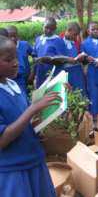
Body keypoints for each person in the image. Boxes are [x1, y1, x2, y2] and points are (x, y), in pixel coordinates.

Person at [0, 35, 60, 197]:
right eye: (8, 59)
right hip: (13, 170)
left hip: (35, 160)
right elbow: (2, 140)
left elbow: (27, 121)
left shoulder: (13, 85)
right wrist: (32, 109)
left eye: (17, 57)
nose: (16, 63)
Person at [32, 17, 68, 88]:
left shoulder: (58, 41)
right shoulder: (38, 39)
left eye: (52, 29)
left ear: (55, 29)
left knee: (53, 94)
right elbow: (34, 55)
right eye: (46, 27)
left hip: (53, 73)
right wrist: (36, 60)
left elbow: (63, 59)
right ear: (43, 26)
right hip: (40, 73)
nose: (48, 31)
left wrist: (49, 60)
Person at [6, 25, 33, 96]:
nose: (12, 39)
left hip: (25, 78)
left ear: (18, 36)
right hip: (13, 79)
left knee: (24, 95)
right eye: (9, 36)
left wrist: (32, 73)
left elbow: (35, 56)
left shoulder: (24, 45)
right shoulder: (5, 49)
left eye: (14, 36)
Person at [62, 22, 87, 96]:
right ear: (68, 30)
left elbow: (82, 55)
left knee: (80, 94)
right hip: (65, 73)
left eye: (77, 34)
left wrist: (83, 58)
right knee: (68, 95)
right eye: (74, 34)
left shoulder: (77, 43)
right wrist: (67, 59)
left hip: (77, 72)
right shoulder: (59, 41)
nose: (76, 37)